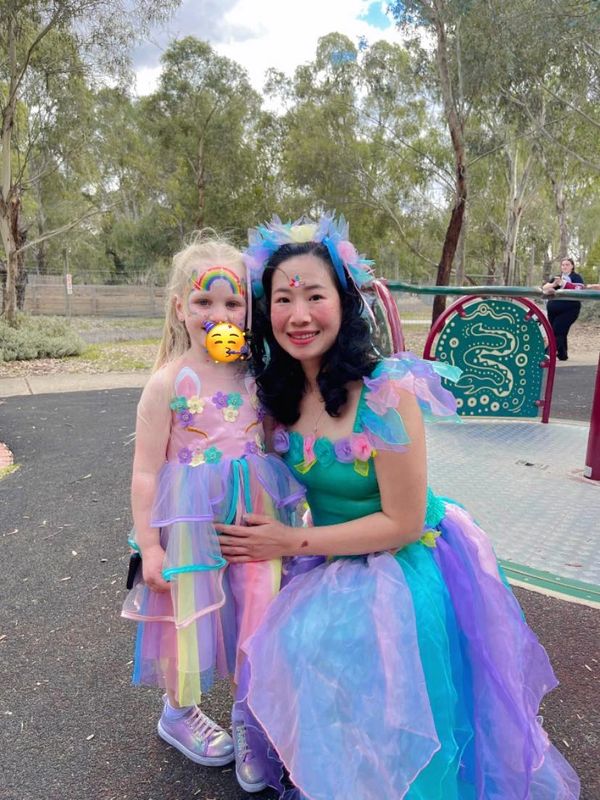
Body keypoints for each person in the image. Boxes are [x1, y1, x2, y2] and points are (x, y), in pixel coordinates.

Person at [216, 214, 581, 799]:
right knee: (297, 648)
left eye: (315, 295)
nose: (299, 315)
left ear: (344, 302)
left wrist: (290, 543)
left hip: (407, 557)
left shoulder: (386, 390)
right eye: (282, 299)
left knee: (368, 658)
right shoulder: (273, 395)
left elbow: (404, 522)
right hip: (326, 555)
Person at [121, 234, 305, 794]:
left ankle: (251, 724)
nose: (217, 315)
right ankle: (178, 712)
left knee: (259, 611)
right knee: (190, 618)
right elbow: (146, 471)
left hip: (253, 513)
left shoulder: (261, 374)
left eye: (232, 304)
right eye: (204, 302)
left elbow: (278, 439)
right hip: (190, 523)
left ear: (248, 309)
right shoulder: (168, 381)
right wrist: (150, 546)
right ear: (180, 307)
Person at [542, 257, 584, 360]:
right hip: (553, 310)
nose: (564, 267)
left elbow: (579, 289)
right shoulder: (557, 277)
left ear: (572, 266)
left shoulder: (576, 277)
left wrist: (563, 284)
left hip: (569, 310)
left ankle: (547, 354)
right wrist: (554, 284)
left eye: (567, 265)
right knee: (557, 331)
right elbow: (544, 288)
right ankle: (562, 354)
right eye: (563, 265)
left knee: (557, 331)